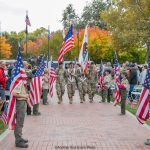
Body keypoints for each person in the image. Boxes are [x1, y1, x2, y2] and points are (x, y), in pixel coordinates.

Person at [13, 80, 29, 148]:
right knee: (19, 122)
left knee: (21, 122)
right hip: (20, 103)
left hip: (22, 102)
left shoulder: (22, 81)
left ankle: (19, 137)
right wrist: (25, 95)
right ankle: (18, 141)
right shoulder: (19, 81)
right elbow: (15, 93)